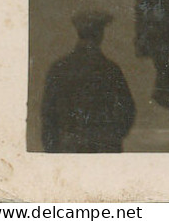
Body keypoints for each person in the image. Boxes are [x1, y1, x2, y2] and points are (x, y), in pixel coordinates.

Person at [40, 10, 136, 153]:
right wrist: (112, 138)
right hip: (103, 149)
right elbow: (127, 110)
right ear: (100, 36)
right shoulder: (111, 69)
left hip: (68, 148)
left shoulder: (59, 68)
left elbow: (48, 113)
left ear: (78, 33)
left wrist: (53, 149)